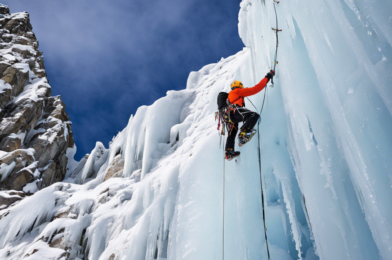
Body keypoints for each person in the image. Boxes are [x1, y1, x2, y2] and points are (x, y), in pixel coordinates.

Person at [225, 70, 275, 161]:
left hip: (231, 117)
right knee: (254, 115)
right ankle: (243, 134)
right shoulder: (237, 91)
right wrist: (267, 77)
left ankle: (229, 151)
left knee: (232, 133)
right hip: (235, 111)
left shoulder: (230, 97)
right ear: (239, 86)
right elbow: (255, 89)